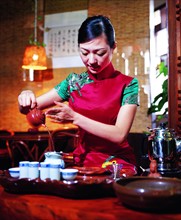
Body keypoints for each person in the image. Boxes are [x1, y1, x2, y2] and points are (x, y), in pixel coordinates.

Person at [18, 15, 139, 173]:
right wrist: (25, 94)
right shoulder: (73, 82)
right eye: (84, 52)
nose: (91, 60)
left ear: (113, 47)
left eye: (99, 53)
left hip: (116, 162)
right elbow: (28, 108)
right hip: (82, 161)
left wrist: (74, 117)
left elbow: (119, 134)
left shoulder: (128, 84)